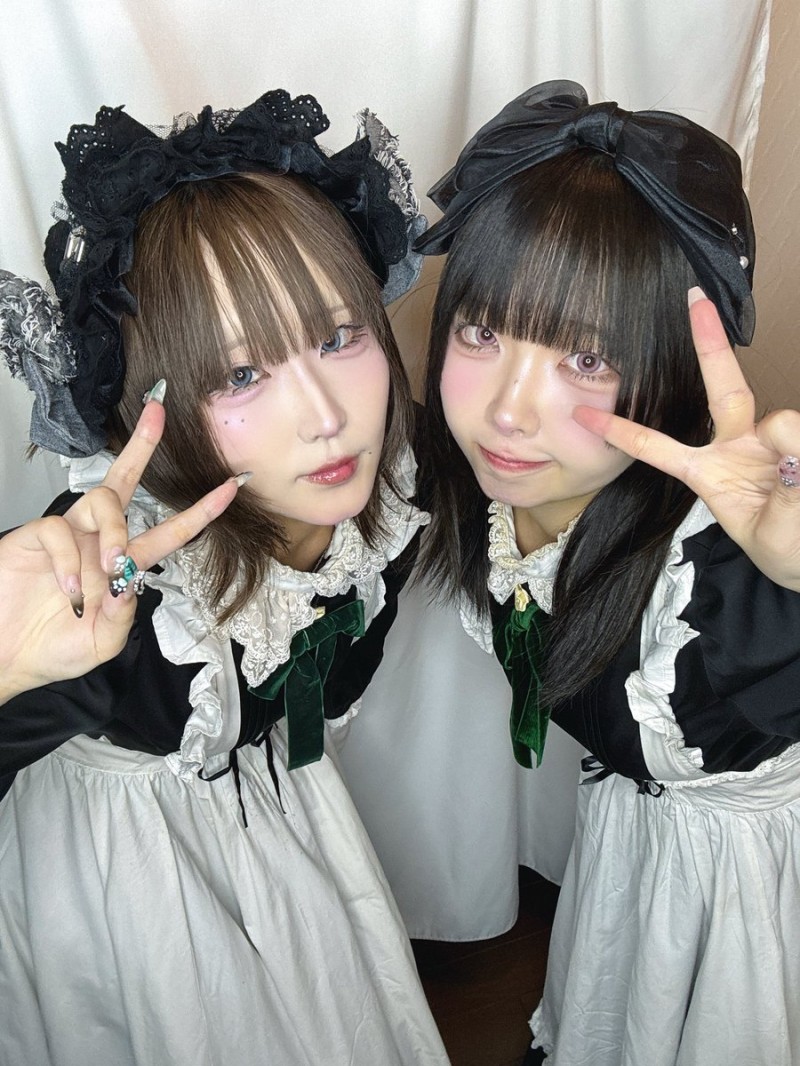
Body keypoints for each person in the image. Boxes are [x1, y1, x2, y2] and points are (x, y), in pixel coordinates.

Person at [0, 90, 449, 1065]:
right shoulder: (108, 590)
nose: (324, 416)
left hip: (281, 826)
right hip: (125, 889)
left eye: (337, 337)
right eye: (241, 376)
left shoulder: (390, 498)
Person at [414, 80, 800, 1065]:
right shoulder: (475, 501)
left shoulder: (722, 585)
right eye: (481, 331)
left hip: (754, 912)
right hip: (637, 861)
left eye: (584, 358)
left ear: (665, 369)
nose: (507, 411)